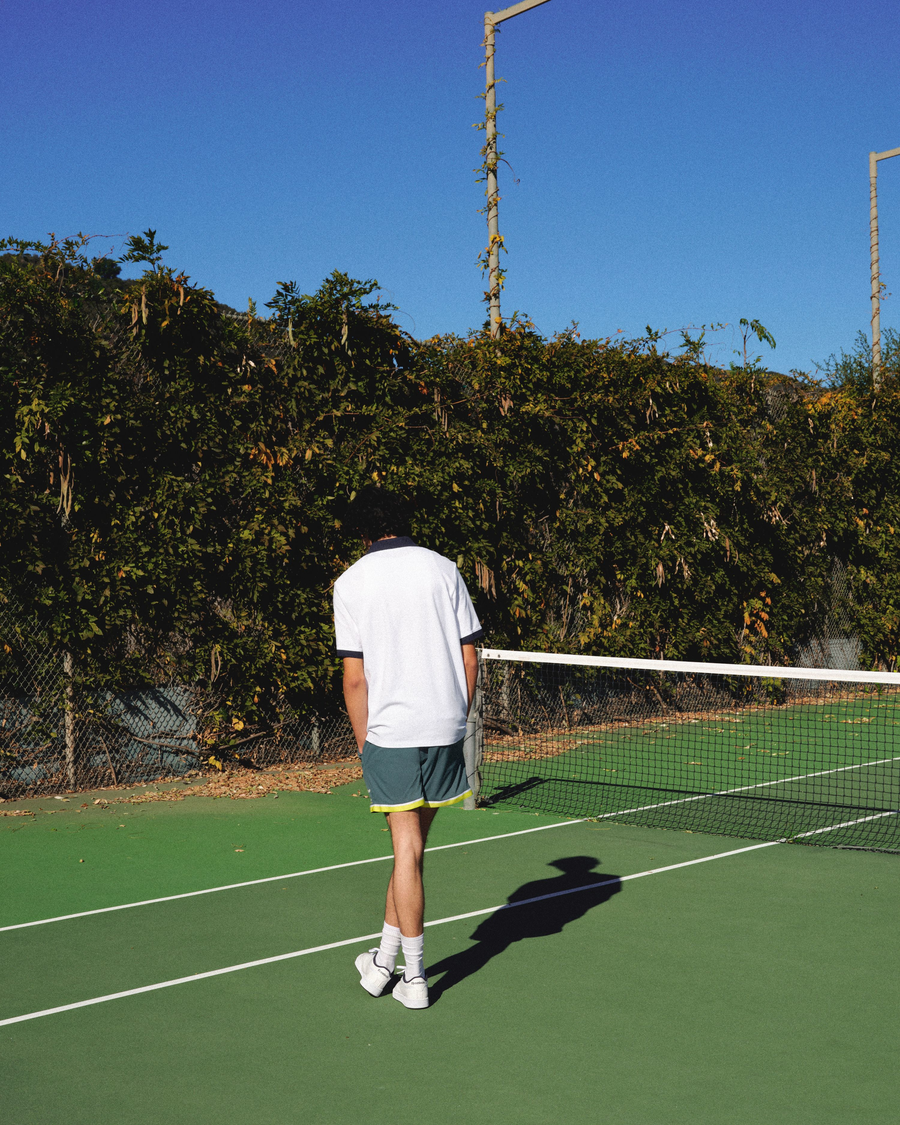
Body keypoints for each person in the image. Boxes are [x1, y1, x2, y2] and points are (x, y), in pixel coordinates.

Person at [334, 485, 483, 1009]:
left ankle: (415, 979)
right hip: (445, 728)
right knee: (413, 853)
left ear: (364, 530)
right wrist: (455, 720)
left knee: (406, 852)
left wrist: (365, 744)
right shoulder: (445, 569)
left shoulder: (349, 582)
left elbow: (355, 680)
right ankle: (381, 965)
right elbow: (470, 659)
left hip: (390, 735)